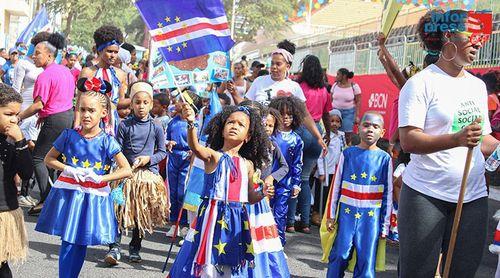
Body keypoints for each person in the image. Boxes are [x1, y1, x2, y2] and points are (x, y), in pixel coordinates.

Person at [398, 10, 499, 277]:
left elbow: (482, 140)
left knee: (463, 272)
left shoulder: (477, 86)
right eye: (471, 36)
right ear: (448, 36)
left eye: (480, 38)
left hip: (472, 196)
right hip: (426, 195)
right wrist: (455, 139)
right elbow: (409, 140)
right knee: (416, 272)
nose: (478, 43)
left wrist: (498, 147)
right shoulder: (420, 83)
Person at [34, 78, 132, 278]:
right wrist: (69, 169)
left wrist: (102, 178)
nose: (86, 115)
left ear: (103, 113)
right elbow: (48, 159)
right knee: (68, 241)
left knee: (80, 242)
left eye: (91, 110)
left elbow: (126, 169)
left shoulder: (107, 141)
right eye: (82, 109)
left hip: (92, 195)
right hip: (70, 193)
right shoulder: (68, 135)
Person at [169, 103, 273, 277]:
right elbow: (195, 147)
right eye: (231, 122)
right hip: (212, 216)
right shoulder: (213, 156)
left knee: (230, 261)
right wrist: (191, 123)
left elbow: (250, 197)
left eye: (241, 125)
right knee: (207, 259)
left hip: (236, 218)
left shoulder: (247, 164)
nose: (234, 126)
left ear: (248, 136)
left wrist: (263, 192)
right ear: (222, 128)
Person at [105, 80, 169, 265]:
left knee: (141, 214)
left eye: (145, 103)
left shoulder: (156, 126)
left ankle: (135, 247)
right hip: (126, 175)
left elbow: (162, 152)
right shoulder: (124, 125)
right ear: (131, 104)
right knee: (119, 210)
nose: (141, 106)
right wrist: (123, 167)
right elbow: (117, 148)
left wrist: (148, 159)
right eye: (137, 102)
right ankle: (114, 247)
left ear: (151, 104)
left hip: (147, 177)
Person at [325, 111, 392, 277]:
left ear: (382, 132)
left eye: (376, 126)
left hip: (371, 218)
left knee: (366, 259)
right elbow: (336, 186)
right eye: (366, 125)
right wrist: (331, 215)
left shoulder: (385, 159)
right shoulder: (347, 154)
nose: (370, 129)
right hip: (347, 214)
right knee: (340, 254)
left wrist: (385, 224)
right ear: (358, 128)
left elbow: (389, 193)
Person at [18, 33, 75, 215]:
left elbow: (38, 105)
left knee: (39, 158)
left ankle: (47, 199)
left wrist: (18, 117)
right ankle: (49, 199)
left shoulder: (45, 75)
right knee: (53, 158)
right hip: (67, 117)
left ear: (49, 55)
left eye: (37, 53)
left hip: (55, 119)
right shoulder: (65, 71)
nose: (33, 56)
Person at [237, 40, 327, 156]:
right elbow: (246, 106)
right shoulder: (259, 81)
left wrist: (318, 137)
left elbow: (305, 114)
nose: (274, 67)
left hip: (281, 143)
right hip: (258, 138)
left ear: (287, 66)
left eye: (278, 64)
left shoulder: (294, 87)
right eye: (272, 63)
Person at [242, 102, 290, 277]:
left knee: (259, 233)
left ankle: (261, 266)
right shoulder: (245, 142)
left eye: (271, 125)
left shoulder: (272, 145)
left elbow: (285, 167)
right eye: (264, 124)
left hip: (261, 196)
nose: (267, 128)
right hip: (245, 194)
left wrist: (271, 177)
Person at [294, 54, 333, 233]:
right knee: (305, 178)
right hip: (317, 131)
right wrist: (327, 135)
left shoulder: (299, 86)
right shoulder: (324, 90)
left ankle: (291, 219)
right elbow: (327, 115)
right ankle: (306, 222)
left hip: (300, 129)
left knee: (295, 176)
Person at [12, 32, 50, 207]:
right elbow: (15, 88)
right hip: (25, 110)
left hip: (39, 111)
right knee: (26, 149)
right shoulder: (23, 63)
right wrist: (15, 113)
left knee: (36, 152)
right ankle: (20, 191)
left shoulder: (45, 64)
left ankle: (28, 190)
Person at [0, 84, 33, 278]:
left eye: (17, 115)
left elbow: (27, 173)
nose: (14, 119)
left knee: (2, 268)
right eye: (8, 114)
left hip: (5, 210)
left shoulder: (14, 140)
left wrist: (21, 143)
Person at [77, 25, 129, 136]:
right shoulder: (87, 72)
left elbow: (120, 101)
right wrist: (76, 127)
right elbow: (78, 104)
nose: (113, 55)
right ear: (100, 50)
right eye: (109, 51)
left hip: (112, 124)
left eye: (116, 52)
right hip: (89, 122)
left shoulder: (120, 74)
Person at [269, 96, 304, 241]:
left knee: (280, 214)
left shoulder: (296, 140)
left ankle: (278, 244)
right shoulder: (270, 134)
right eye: (282, 115)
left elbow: (297, 164)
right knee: (265, 213)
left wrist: (296, 183)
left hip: (285, 183)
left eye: (289, 116)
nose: (286, 119)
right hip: (267, 180)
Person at [312, 109, 345, 226]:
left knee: (330, 194)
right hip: (325, 170)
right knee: (321, 193)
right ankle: (316, 213)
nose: (334, 124)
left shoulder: (341, 136)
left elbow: (342, 151)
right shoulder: (325, 136)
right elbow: (320, 155)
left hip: (334, 171)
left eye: (337, 121)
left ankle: (327, 215)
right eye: (331, 121)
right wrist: (321, 172)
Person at [165, 98, 191, 236]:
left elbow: (197, 141)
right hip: (173, 156)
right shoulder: (172, 122)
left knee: (183, 191)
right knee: (173, 192)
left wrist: (193, 150)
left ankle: (185, 223)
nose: (177, 103)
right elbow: (165, 137)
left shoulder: (194, 123)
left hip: (187, 158)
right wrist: (168, 142)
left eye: (181, 101)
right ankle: (174, 223)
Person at [330, 68, 361, 145]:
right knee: (333, 132)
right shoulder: (334, 85)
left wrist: (357, 116)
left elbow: (358, 101)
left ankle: (346, 150)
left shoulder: (354, 86)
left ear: (344, 76)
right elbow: (330, 99)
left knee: (347, 134)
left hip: (349, 113)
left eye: (338, 74)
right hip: (335, 112)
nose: (336, 76)